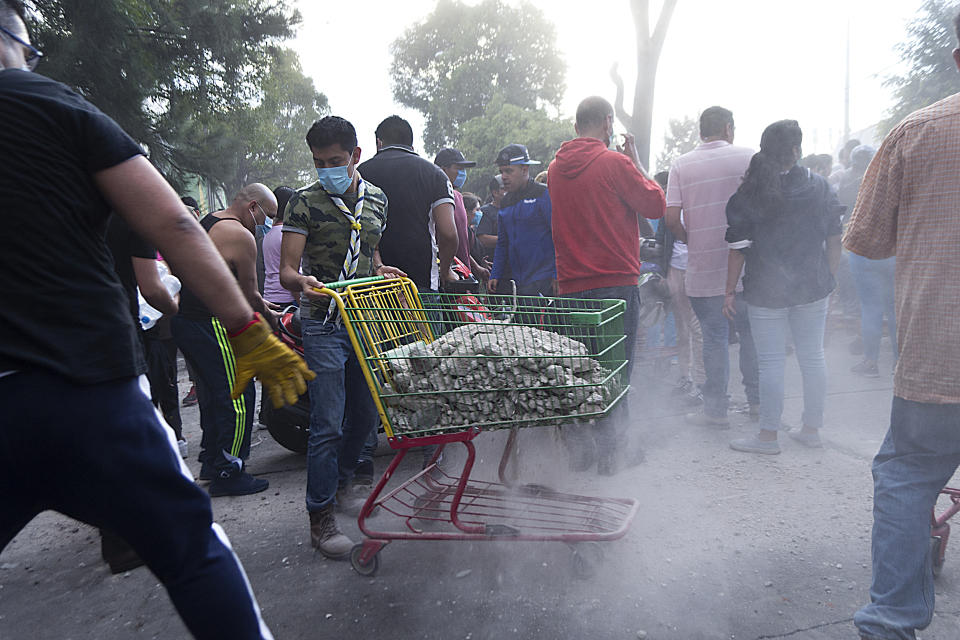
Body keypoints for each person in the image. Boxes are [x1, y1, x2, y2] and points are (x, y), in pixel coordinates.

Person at [0, 3, 312, 636]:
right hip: (92, 390)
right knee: (191, 550)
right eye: (29, 51)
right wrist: (250, 330)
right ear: (12, 41)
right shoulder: (60, 107)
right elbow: (171, 222)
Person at [848, 15, 960, 639]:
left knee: (908, 474)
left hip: (940, 357)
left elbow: (866, 241)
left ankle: (891, 621)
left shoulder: (918, 131)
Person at [280, 115, 405, 559]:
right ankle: (321, 516)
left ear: (355, 156)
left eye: (334, 161)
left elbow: (369, 250)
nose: (326, 169)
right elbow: (287, 270)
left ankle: (352, 482)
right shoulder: (303, 203)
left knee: (368, 416)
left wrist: (381, 268)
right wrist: (301, 283)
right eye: (318, 162)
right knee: (327, 423)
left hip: (366, 317)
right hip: (323, 320)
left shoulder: (378, 199)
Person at [547, 95, 666, 474]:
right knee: (617, 370)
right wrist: (636, 162)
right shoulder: (615, 164)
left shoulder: (553, 169)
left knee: (583, 370)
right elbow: (656, 206)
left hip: (571, 287)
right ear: (608, 121)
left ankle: (585, 451)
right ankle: (614, 454)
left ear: (576, 124)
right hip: (615, 283)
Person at [722, 120, 843, 455]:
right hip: (813, 287)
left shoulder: (749, 193)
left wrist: (729, 291)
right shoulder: (820, 186)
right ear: (794, 149)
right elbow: (835, 238)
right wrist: (828, 281)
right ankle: (811, 429)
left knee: (772, 362)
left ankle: (768, 438)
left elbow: (738, 249)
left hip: (765, 291)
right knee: (813, 356)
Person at [172, 184, 279, 497]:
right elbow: (249, 294)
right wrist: (268, 317)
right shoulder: (241, 235)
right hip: (211, 320)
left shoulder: (209, 220)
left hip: (187, 321)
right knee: (239, 395)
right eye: (268, 217)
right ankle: (229, 471)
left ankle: (211, 459)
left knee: (213, 392)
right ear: (252, 207)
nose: (267, 224)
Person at [665, 106, 759, 429]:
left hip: (703, 269)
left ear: (700, 132)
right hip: (748, 267)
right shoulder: (749, 158)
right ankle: (757, 404)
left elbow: (670, 218)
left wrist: (691, 239)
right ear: (729, 129)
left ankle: (716, 410)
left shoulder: (681, 164)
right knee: (750, 335)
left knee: (714, 338)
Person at [358, 115, 458, 295]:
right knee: (424, 324)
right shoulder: (435, 174)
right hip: (420, 283)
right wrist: (445, 271)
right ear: (411, 143)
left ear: (379, 142)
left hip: (371, 285)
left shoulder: (359, 175)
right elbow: (449, 234)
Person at [839, 145, 897, 378]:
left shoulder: (848, 182)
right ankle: (898, 362)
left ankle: (870, 362)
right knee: (895, 309)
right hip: (893, 251)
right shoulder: (892, 180)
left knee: (870, 308)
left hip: (862, 251)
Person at [654, 170, 705, 405]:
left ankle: (701, 383)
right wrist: (663, 272)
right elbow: (662, 240)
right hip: (675, 269)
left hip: (696, 270)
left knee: (696, 327)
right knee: (683, 328)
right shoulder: (670, 205)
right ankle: (686, 377)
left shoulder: (700, 203)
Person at [488, 143, 555, 297]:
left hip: (545, 280)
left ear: (524, 170)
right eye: (501, 171)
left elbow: (559, 236)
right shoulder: (505, 202)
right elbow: (503, 242)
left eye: (509, 171)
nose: (503, 177)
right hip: (518, 282)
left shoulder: (543, 194)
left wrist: (557, 274)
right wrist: (495, 273)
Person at [434, 147, 490, 281]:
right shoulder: (435, 198)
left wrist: (476, 267)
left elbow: (461, 245)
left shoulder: (458, 197)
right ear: (443, 169)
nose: (462, 173)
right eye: (458, 168)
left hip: (463, 276)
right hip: (446, 275)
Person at [262, 185, 297, 307]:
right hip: (288, 299)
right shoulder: (288, 234)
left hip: (270, 296)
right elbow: (292, 271)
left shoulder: (268, 233)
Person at [476, 175, 505, 265]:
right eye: (505, 189)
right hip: (495, 264)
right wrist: (510, 239)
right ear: (495, 192)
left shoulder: (516, 209)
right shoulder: (486, 212)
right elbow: (483, 239)